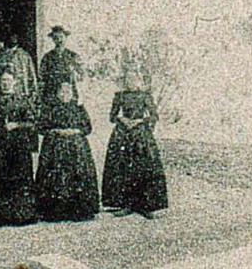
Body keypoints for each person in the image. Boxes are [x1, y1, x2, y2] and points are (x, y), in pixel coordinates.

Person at [101, 60, 169, 219]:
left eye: (134, 79)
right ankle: (125, 204)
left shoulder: (145, 96)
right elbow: (112, 116)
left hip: (140, 135)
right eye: (128, 80)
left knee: (143, 167)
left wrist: (140, 121)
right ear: (124, 81)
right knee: (123, 167)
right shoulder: (119, 96)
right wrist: (122, 120)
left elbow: (154, 116)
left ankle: (145, 205)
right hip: (123, 134)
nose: (131, 82)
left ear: (139, 81)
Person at [36, 81, 100, 222]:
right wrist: (56, 131)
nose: (65, 94)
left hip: (76, 148)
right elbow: (41, 127)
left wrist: (76, 131)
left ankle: (79, 210)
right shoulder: (50, 108)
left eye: (68, 92)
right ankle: (55, 211)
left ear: (72, 94)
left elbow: (88, 128)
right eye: (62, 92)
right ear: (57, 93)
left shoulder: (79, 108)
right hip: (55, 148)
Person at [0, 71, 38, 226]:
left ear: (15, 82)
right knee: (1, 178)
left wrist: (17, 125)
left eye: (8, 80)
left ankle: (22, 215)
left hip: (19, 145)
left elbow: (32, 123)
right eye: (3, 80)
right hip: (0, 145)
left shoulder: (22, 100)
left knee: (21, 178)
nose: (5, 83)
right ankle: (2, 216)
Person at [0, 30, 38, 109]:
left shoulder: (25, 56)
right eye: (11, 36)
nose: (13, 39)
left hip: (21, 91)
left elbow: (31, 75)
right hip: (4, 92)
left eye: (15, 37)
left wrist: (33, 91)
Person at [39, 26, 82, 112]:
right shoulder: (47, 57)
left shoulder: (73, 56)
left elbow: (81, 75)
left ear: (65, 38)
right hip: (52, 90)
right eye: (56, 38)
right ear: (53, 40)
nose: (59, 40)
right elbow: (42, 75)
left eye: (61, 37)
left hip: (68, 91)